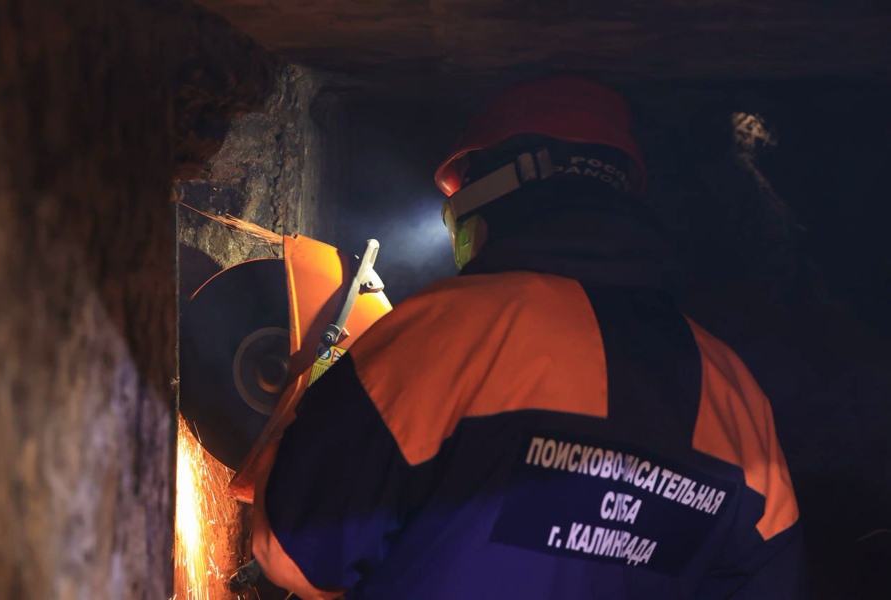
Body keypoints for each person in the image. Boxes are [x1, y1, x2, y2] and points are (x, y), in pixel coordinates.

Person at [251, 76, 804, 599]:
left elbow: (294, 556)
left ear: (494, 195)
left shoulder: (444, 331)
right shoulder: (735, 393)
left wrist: (311, 415)